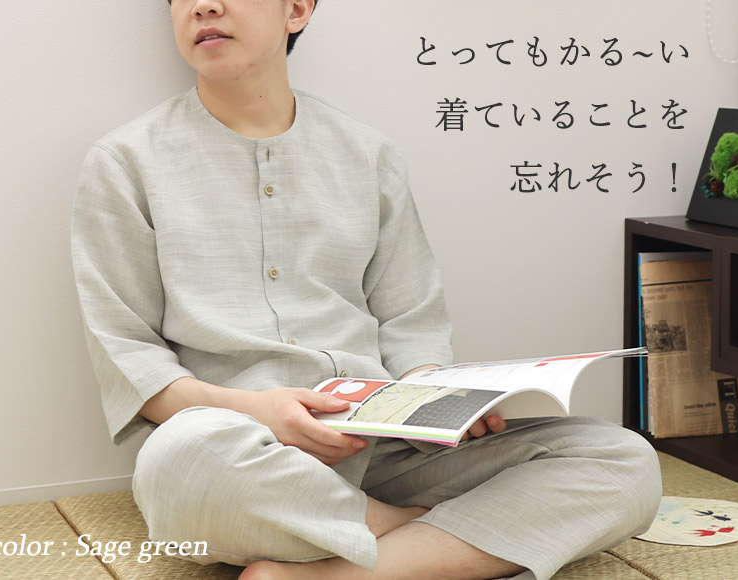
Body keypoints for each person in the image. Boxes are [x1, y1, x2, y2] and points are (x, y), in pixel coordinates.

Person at [70, 1, 662, 579]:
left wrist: (445, 400)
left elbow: (410, 319)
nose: (204, 7)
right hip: (239, 444)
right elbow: (128, 354)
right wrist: (258, 410)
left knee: (623, 459)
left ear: (296, 10)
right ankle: (419, 531)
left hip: (388, 444)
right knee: (178, 461)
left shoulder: (366, 153)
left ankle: (328, 572)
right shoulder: (124, 161)